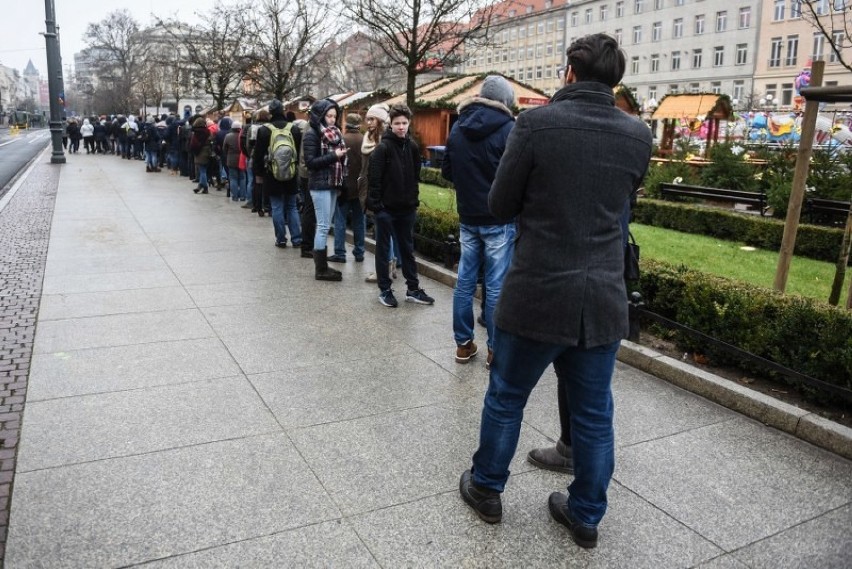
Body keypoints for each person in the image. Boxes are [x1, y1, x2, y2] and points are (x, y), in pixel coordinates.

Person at [458, 34, 653, 549]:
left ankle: (486, 488)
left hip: (538, 293)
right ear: (616, 80)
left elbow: (500, 204)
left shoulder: (536, 124)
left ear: (569, 72)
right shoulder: (638, 135)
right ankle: (585, 514)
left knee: (506, 397)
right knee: (594, 413)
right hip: (602, 299)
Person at [442, 75, 517, 368]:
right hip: (499, 217)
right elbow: (516, 176)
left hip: (468, 215)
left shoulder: (458, 126)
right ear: (504, 101)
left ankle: (463, 345)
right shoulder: (510, 129)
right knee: (496, 286)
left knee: (464, 282)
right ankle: (495, 350)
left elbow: (447, 170)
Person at [366, 103, 434, 308]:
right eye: (397, 123)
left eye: (404, 123)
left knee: (407, 249)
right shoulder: (383, 148)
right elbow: (374, 180)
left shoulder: (412, 147)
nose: (401, 127)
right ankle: (385, 289)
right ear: (391, 125)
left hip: (406, 209)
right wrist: (378, 208)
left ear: (409, 123)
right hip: (386, 210)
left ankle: (413, 289)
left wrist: (413, 201)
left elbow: (415, 177)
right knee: (383, 250)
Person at [303, 98, 347, 281]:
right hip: (319, 184)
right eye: (329, 116)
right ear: (320, 115)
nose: (332, 119)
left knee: (326, 226)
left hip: (333, 183)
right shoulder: (312, 133)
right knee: (322, 226)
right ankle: (320, 269)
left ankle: (323, 266)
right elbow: (310, 163)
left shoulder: (335, 133)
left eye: (334, 116)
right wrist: (333, 156)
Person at [253, 100, 302, 249]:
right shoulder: (293, 128)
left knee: (277, 207)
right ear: (283, 110)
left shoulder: (264, 130)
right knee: (292, 207)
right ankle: (297, 239)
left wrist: (259, 173)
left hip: (272, 173)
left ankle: (281, 239)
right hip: (291, 172)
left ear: (270, 112)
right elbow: (299, 152)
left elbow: (258, 155)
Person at [359, 103, 400, 284]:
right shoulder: (368, 138)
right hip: (369, 188)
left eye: (372, 118)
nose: (368, 122)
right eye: (367, 118)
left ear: (381, 121)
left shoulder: (385, 141)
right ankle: (388, 266)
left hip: (383, 192)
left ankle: (384, 269)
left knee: (383, 233)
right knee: (382, 232)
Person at [329, 113, 366, 263]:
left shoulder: (341, 140)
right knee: (359, 221)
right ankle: (359, 252)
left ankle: (340, 253)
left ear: (347, 124)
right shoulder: (365, 140)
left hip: (343, 187)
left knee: (340, 221)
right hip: (360, 188)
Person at [189, 116, 212, 194]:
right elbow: (211, 140)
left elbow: (193, 144)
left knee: (202, 171)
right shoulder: (208, 131)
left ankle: (205, 187)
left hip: (199, 153)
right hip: (207, 152)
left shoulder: (195, 133)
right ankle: (200, 186)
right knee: (204, 170)